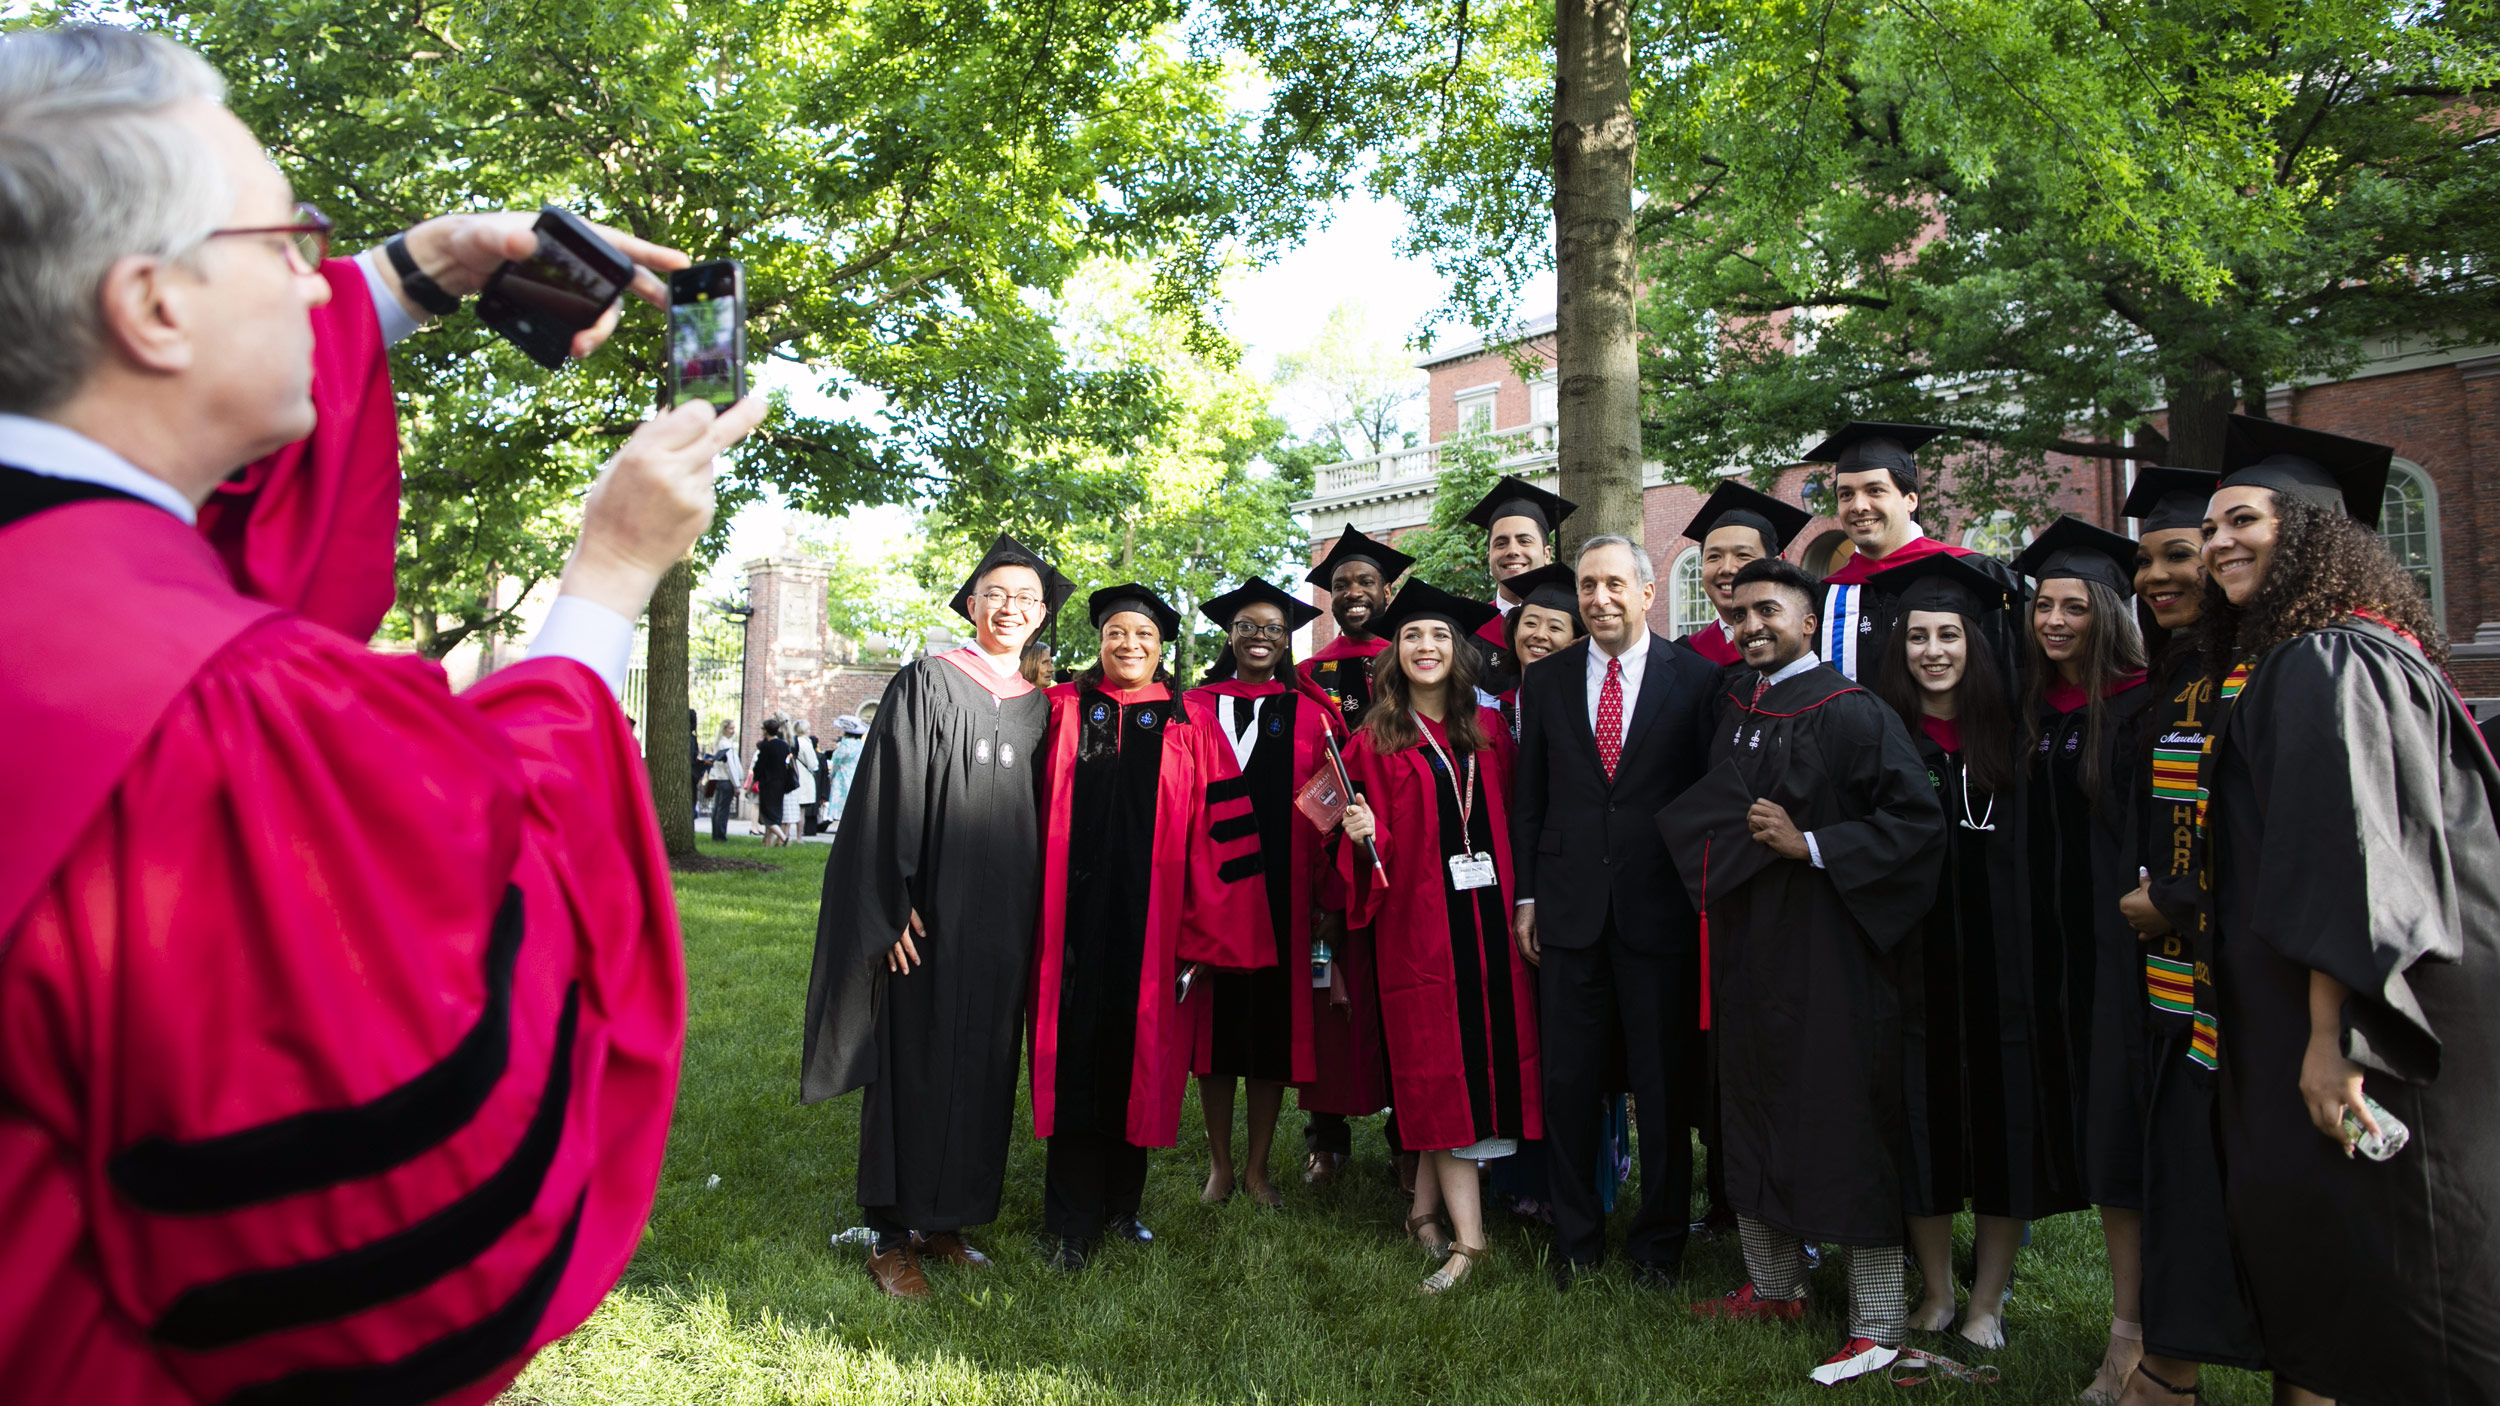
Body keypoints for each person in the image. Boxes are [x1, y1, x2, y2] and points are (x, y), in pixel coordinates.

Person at [0, 25, 768, 1401]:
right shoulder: (207, 721)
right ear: (152, 309)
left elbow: (238, 545)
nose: (321, 280)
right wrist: (609, 574)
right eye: (288, 237)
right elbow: (417, 1269)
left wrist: (423, 272)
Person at [2197, 415, 2500, 1406]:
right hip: (2407, 985)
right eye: (2208, 529)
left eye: (2241, 519)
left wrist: (2335, 1040)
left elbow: (2350, 858)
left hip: (2364, 1005)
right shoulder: (2376, 647)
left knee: (2389, 1253)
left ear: (2313, 533)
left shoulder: (2323, 659)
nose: (2215, 545)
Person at [1671, 558, 1944, 1385]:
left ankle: (1879, 1321)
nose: (1753, 626)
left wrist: (1815, 844)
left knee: (1840, 1120)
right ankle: (1775, 1282)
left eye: (1771, 611)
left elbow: (1918, 823)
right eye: (1742, 613)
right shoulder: (1737, 702)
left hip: (1831, 954)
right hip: (1751, 947)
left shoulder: (1851, 712)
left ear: (1807, 617)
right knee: (1751, 1103)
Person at [800, 533, 1073, 1300]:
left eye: (1026, 598)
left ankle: (948, 1222)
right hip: (931, 917)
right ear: (973, 603)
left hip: (1008, 920)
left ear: (1042, 615)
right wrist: (894, 906)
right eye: (997, 594)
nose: (1011, 607)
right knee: (915, 1063)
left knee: (985, 1063)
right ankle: (890, 1234)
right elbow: (888, 799)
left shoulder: (1043, 710)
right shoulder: (927, 682)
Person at [1865, 552, 2078, 1349]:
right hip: (1912, 964)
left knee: (2001, 1125)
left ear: (1973, 641)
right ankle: (1936, 1290)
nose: (1933, 650)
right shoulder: (1881, 734)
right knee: (1919, 1125)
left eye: (1948, 634)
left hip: (2004, 968)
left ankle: (1988, 1299)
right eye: (1918, 636)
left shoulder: (2018, 733)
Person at [1509, 535, 1721, 1288]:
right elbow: (1529, 798)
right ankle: (1576, 1238)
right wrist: (1528, 896)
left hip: (1658, 914)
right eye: (1587, 586)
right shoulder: (1549, 681)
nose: (1598, 599)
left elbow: (1706, 802)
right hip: (1567, 914)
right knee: (1569, 1083)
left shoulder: (1695, 680)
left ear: (1646, 591)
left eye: (1612, 585)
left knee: (1662, 1091)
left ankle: (1659, 1244)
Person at [1030, 584, 1260, 1269]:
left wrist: (1205, 937)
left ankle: (1122, 1210)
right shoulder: (1060, 711)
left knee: (1140, 1065)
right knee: (1074, 1061)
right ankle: (1068, 1221)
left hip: (1155, 935)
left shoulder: (1189, 725)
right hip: (1065, 927)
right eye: (1116, 633)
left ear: (1164, 650)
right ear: (1098, 642)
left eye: (1144, 636)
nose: (1129, 645)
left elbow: (1222, 839)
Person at [2108, 466, 2268, 1404]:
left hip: (2244, 990)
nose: (2163, 576)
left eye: (2185, 555)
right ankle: (2169, 1369)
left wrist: (2179, 900)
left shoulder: (2268, 671)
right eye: (2152, 561)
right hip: (2179, 992)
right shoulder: (2187, 673)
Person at [1335, 580, 1541, 1294]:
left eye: (1441, 638)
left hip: (1488, 922)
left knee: (1478, 1059)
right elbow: (1360, 844)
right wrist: (1361, 836)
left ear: (1461, 654)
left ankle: (1423, 1213)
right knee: (1439, 1066)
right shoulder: (1374, 739)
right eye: (1415, 637)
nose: (1428, 647)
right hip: (1419, 930)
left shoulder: (1490, 734)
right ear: (1396, 653)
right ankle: (1471, 1242)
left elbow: (1516, 824)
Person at [2009, 516, 2153, 1401]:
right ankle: (2131, 1327)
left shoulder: (2143, 704)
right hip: (2054, 959)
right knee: (2103, 1149)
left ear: (2109, 612)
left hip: (2126, 958)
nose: (2054, 620)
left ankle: (2135, 1337)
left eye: (2074, 606)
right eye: (2043, 606)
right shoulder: (2030, 707)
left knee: (2130, 1143)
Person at [1183, 578, 1331, 1208]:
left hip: (1284, 893)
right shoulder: (1193, 705)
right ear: (1230, 635)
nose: (1260, 636)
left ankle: (1258, 1168)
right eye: (1247, 625)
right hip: (1211, 891)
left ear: (1287, 638)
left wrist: (1326, 895)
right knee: (1215, 1034)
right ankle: (1220, 1163)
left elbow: (1330, 806)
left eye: (1273, 627)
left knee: (1271, 1031)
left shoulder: (1312, 711)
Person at [1291, 524, 1414, 1185]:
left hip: (1404, 846)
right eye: (1341, 584)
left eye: (1365, 581)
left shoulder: (1413, 658)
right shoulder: (1312, 674)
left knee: (1398, 995)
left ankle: (1409, 1136)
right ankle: (1327, 1138)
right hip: (1335, 850)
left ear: (1387, 589)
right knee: (1331, 998)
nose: (1354, 592)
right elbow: (1311, 771)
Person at [1807, 422, 2019, 684]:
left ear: (1911, 499)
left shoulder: (1972, 575)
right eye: (1846, 494)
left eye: (1875, 491)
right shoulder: (1824, 597)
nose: (1858, 506)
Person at [1675, 481, 1813, 667]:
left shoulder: (1808, 644)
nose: (1727, 568)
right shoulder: (1683, 655)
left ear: (1776, 565)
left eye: (1743, 555)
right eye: (1714, 557)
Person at [1460, 474, 1576, 692]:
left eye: (1524, 541)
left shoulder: (1576, 628)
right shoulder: (1467, 635)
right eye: (1501, 543)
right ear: (1489, 556)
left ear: (1547, 554)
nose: (1512, 551)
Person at [751, 716, 795, 845]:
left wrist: (750, 786)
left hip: (768, 783)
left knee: (766, 816)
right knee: (775, 812)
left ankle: (783, 838)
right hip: (780, 783)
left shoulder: (766, 746)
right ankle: (767, 841)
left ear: (765, 731)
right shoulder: (783, 745)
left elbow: (759, 767)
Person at [824, 714, 866, 830]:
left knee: (842, 802)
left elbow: (836, 761)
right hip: (855, 775)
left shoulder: (845, 744)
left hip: (843, 776)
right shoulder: (860, 745)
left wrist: (832, 775)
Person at [707, 718, 742, 842]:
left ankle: (716, 834)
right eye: (730, 728)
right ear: (725, 729)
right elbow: (730, 766)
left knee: (717, 808)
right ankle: (720, 835)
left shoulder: (719, 743)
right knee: (722, 809)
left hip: (717, 779)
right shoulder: (725, 745)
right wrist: (736, 784)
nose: (733, 731)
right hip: (725, 780)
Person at [789, 721, 821, 838]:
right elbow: (813, 764)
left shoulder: (792, 741)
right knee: (801, 810)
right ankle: (799, 837)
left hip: (794, 776)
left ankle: (786, 834)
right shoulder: (806, 744)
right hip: (804, 778)